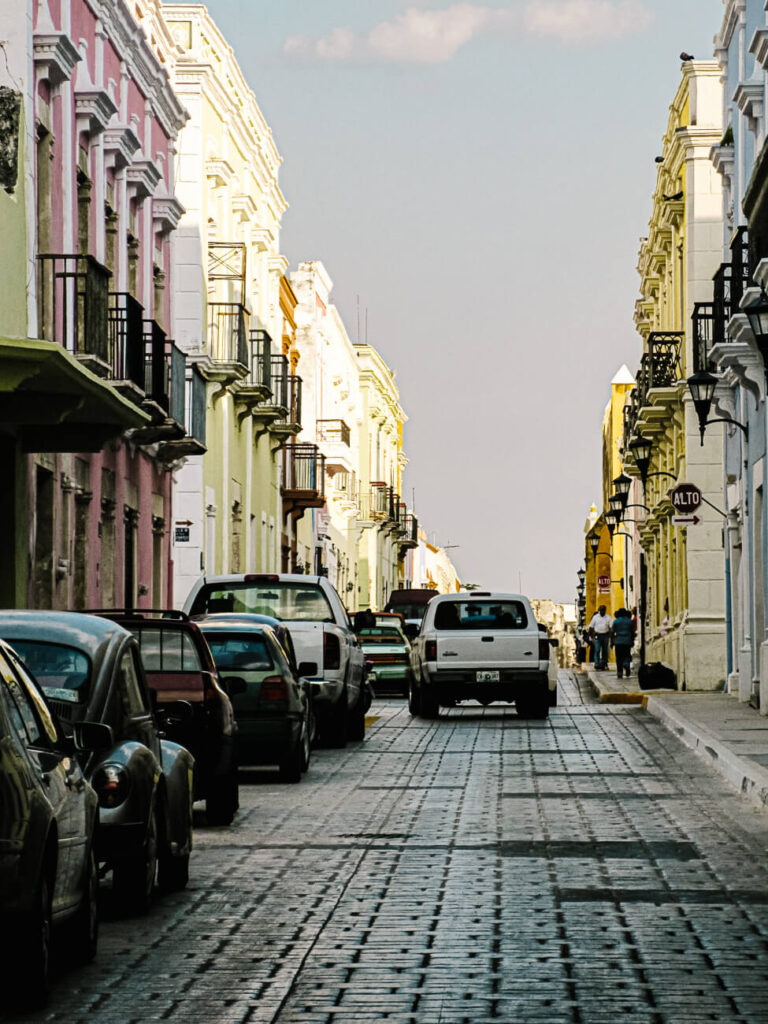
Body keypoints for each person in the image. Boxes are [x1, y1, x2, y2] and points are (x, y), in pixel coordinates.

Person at [611, 608, 634, 679]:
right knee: (627, 654)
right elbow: (632, 632)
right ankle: (626, 664)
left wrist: (612, 642)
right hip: (627, 641)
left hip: (618, 641)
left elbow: (612, 632)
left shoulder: (616, 621)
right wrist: (632, 641)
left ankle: (619, 672)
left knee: (619, 657)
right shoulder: (629, 621)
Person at [588, 604, 613, 670]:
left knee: (605, 650)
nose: (602, 611)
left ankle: (604, 662)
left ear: (605, 610)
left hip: (605, 635)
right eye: (601, 610)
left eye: (603, 610)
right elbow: (591, 627)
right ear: (599, 610)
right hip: (597, 635)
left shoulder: (608, 617)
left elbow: (610, 627)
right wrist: (591, 636)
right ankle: (597, 663)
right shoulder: (595, 617)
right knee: (597, 649)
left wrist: (611, 635)